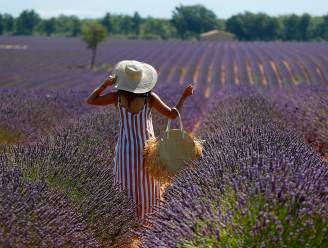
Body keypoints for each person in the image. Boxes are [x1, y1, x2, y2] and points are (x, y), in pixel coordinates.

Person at [86, 60, 193, 227]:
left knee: (125, 185)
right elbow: (173, 115)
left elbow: (91, 100)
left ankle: (126, 226)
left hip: (124, 149)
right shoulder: (149, 97)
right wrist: (184, 97)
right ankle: (146, 225)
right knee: (148, 187)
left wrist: (104, 84)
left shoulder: (117, 97)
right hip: (146, 150)